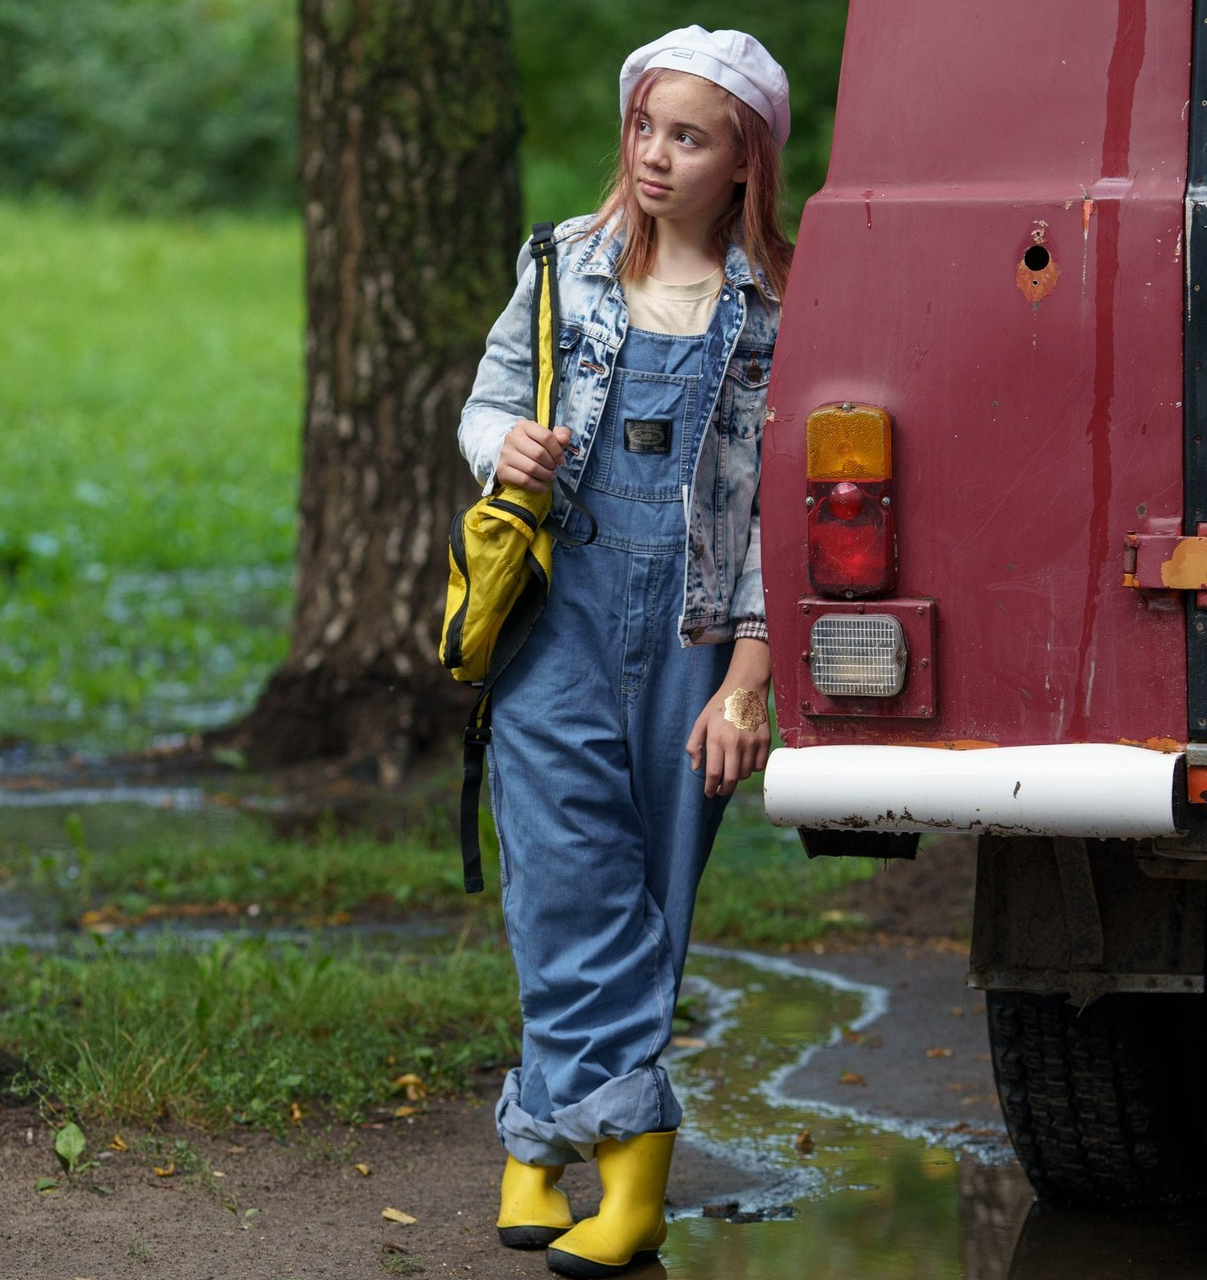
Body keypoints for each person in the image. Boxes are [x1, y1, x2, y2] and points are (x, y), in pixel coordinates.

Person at [457, 25, 792, 1279]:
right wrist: (503, 447)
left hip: (699, 634)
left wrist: (749, 683)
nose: (654, 156)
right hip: (559, 610)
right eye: (645, 127)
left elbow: (780, 508)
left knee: (648, 890)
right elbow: (486, 396)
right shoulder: (563, 264)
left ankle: (538, 1144)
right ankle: (635, 1172)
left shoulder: (778, 305)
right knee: (563, 880)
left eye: (687, 137)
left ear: (742, 161)